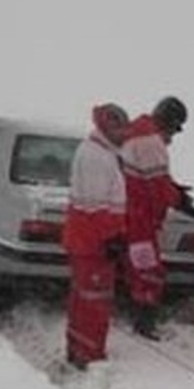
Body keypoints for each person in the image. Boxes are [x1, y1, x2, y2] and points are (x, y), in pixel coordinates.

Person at [118, 95, 194, 339]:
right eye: (174, 130)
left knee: (134, 268)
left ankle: (135, 315)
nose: (173, 137)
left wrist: (174, 189)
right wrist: (180, 200)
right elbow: (158, 186)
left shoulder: (135, 132)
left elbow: (149, 177)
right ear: (169, 122)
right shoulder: (151, 142)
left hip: (129, 212)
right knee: (148, 271)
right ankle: (144, 324)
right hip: (140, 218)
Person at [62, 103, 130, 369]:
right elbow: (93, 207)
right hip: (93, 245)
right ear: (107, 127)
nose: (124, 134)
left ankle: (78, 350)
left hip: (89, 242)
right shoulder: (96, 158)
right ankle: (90, 356)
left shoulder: (100, 152)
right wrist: (109, 239)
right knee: (94, 301)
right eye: (120, 128)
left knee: (83, 298)